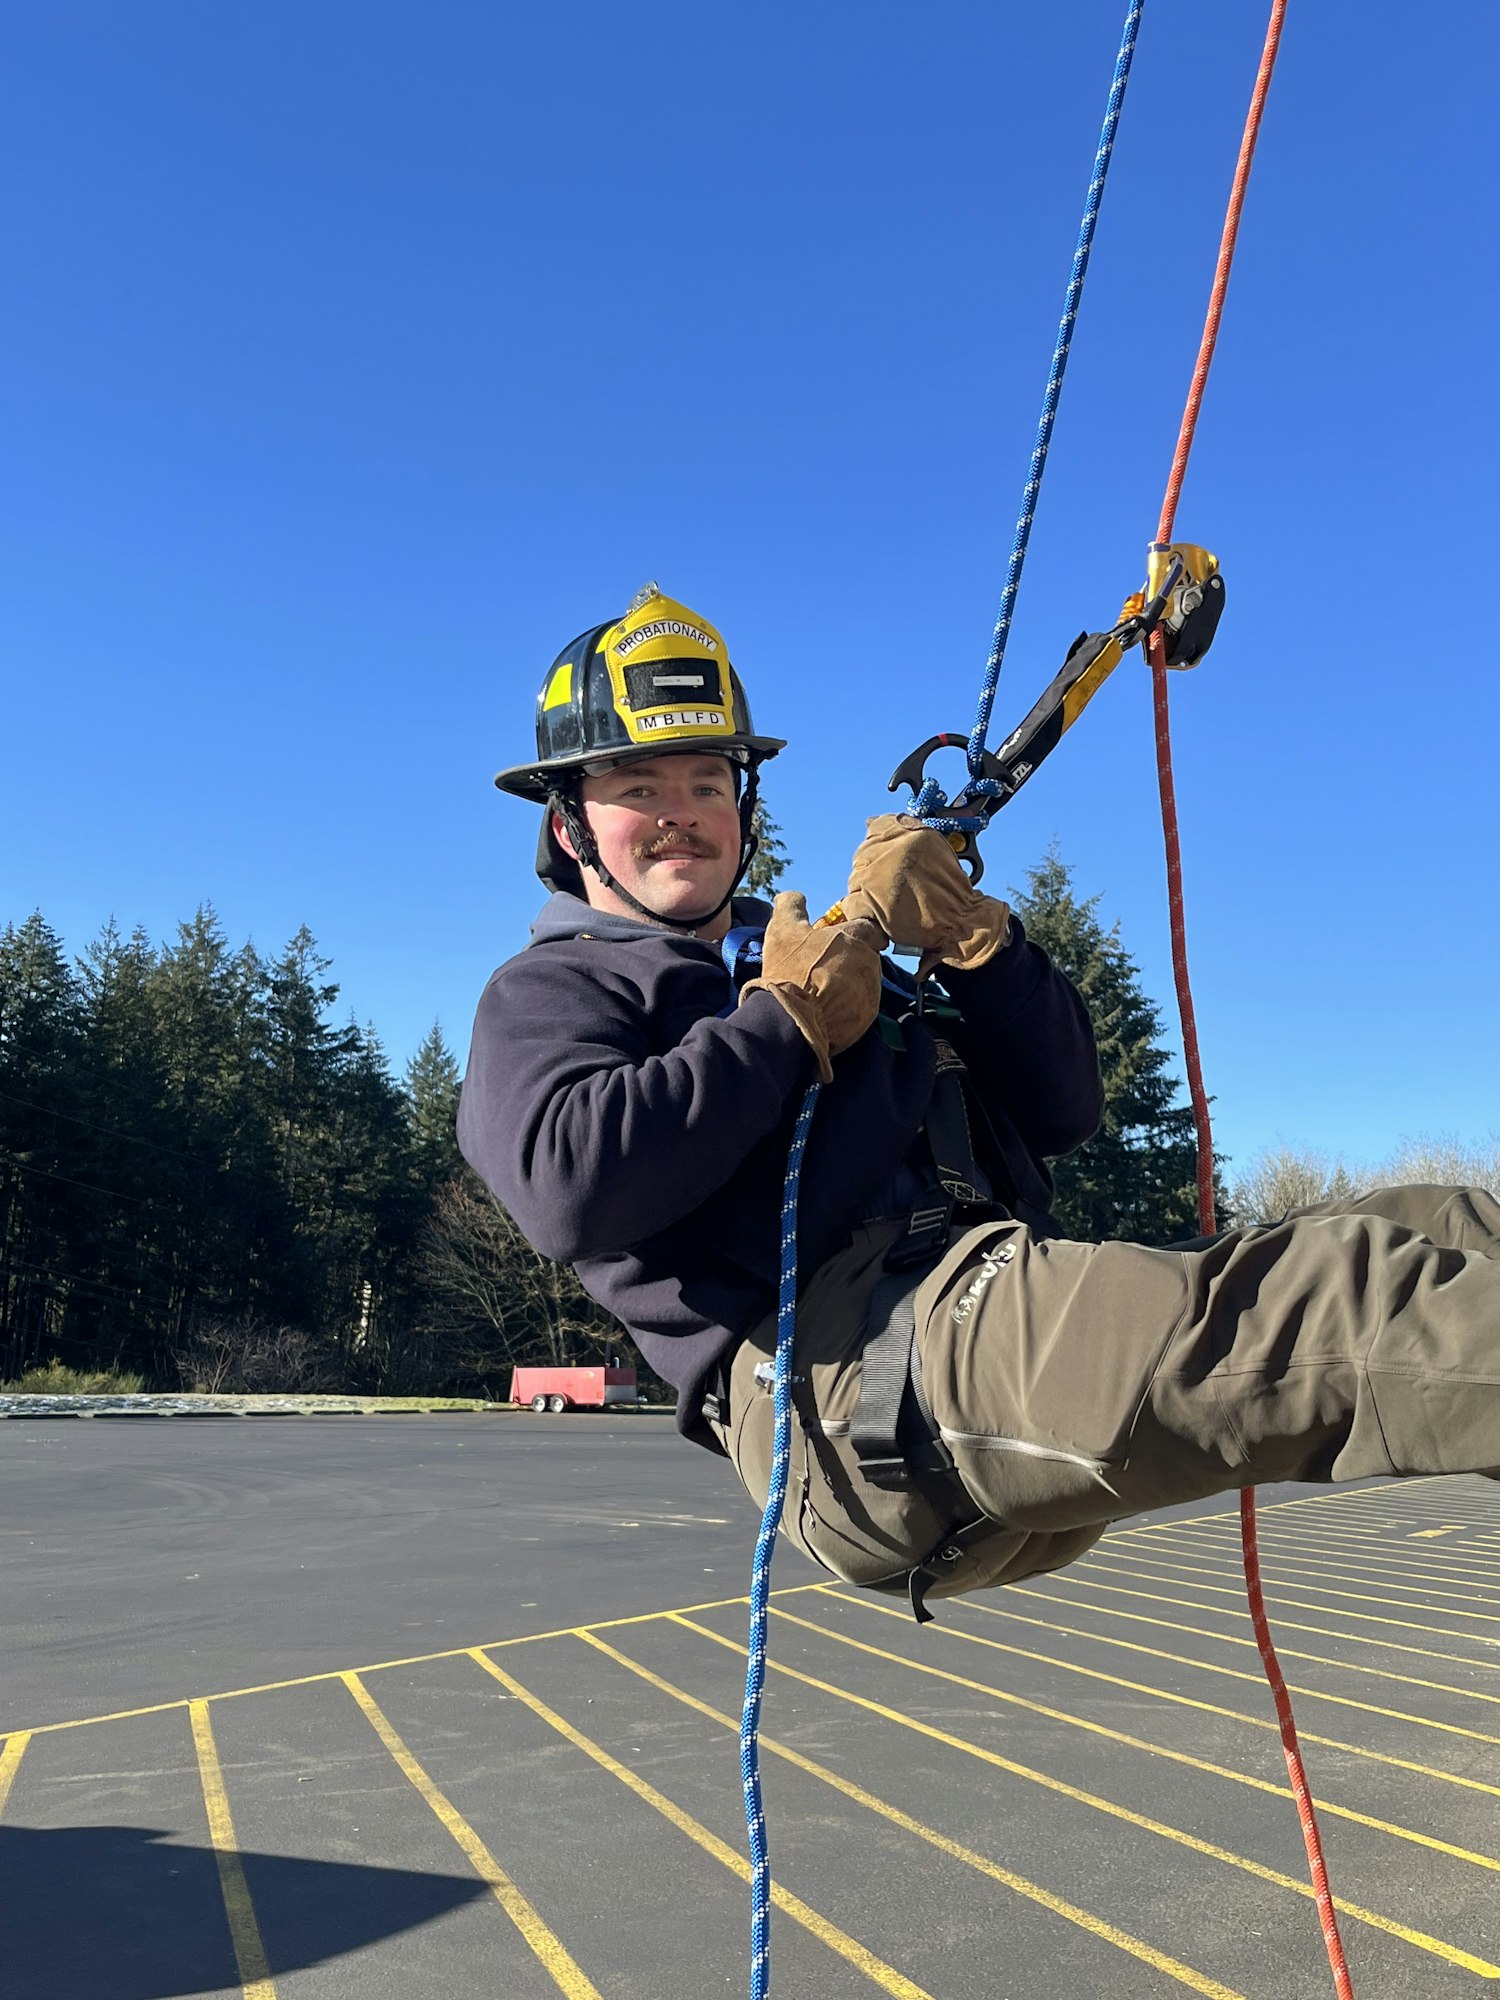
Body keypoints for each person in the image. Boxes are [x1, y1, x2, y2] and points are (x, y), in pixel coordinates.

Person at [458, 583, 1500, 1619]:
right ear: (570, 822)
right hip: (854, 1379)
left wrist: (973, 939)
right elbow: (568, 1183)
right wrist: (783, 1023)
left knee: (1445, 1227)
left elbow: (1063, 1109)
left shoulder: (817, 966)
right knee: (1351, 1298)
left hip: (983, 1322)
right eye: (638, 785)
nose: (679, 812)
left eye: (705, 780)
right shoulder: (559, 990)